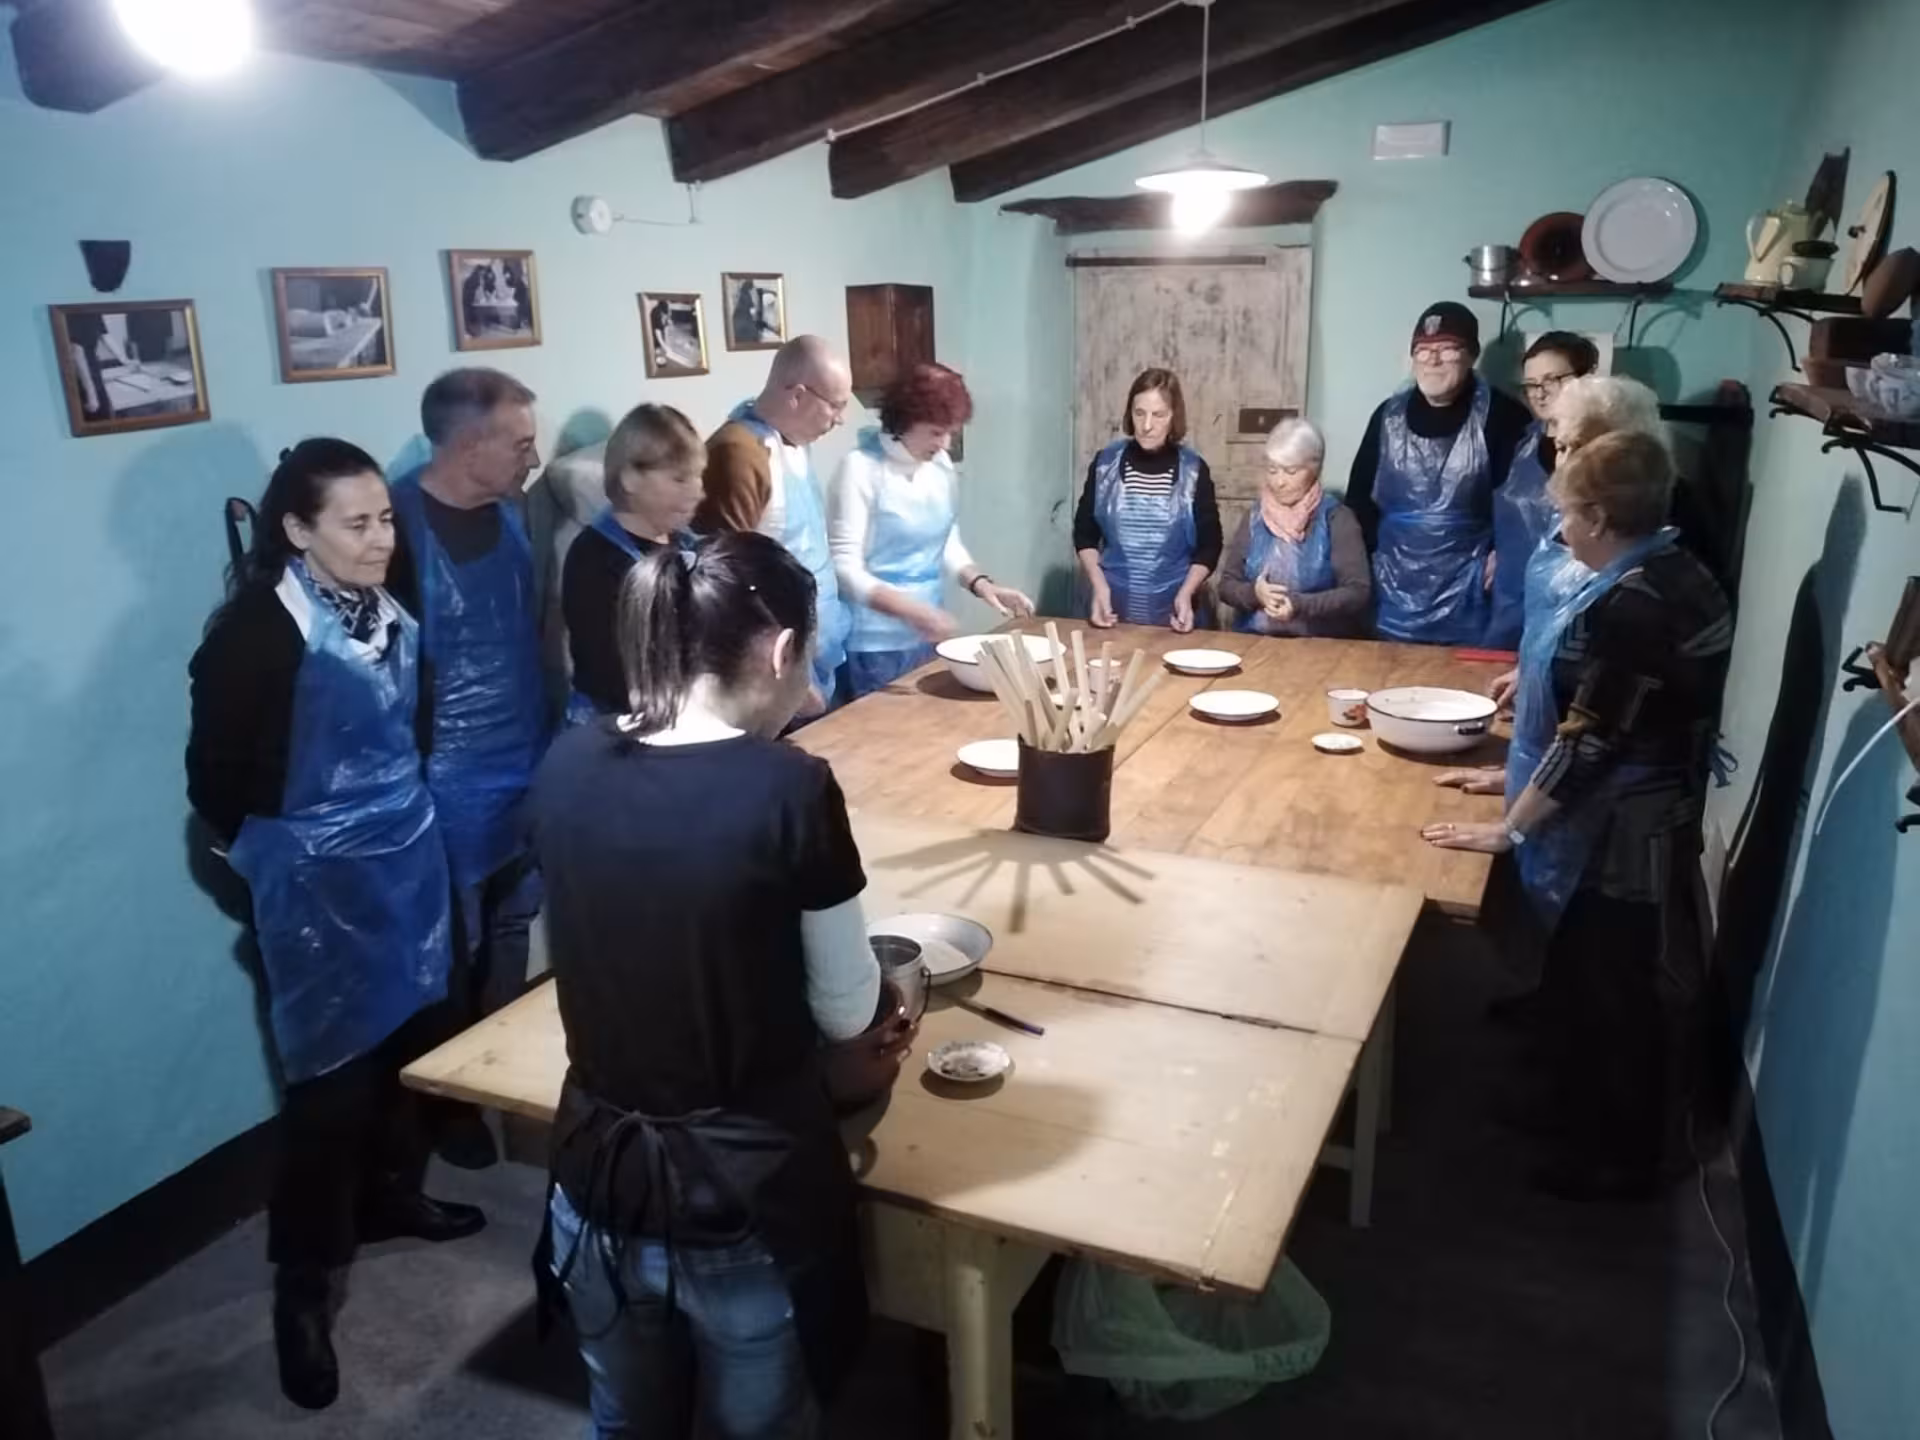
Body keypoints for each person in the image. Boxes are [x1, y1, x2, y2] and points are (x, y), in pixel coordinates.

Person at [531, 530, 916, 1437]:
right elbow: (847, 1008)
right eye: (810, 655)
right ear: (782, 649)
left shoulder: (568, 763)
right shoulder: (789, 787)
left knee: (626, 1421)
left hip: (595, 1176)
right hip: (742, 1196)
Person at [186, 440, 483, 1411]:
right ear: (296, 531)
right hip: (319, 894)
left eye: (384, 519)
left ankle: (391, 1195)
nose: (379, 540)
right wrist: (282, 859)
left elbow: (417, 723)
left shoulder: (388, 610)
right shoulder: (254, 638)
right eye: (354, 524)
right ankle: (302, 1292)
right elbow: (216, 782)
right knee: (326, 1097)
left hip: (409, 866)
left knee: (411, 1049)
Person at [1423, 432, 1732, 1201]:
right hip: (1642, 808)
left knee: (1612, 989)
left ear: (1598, 516)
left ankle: (1616, 1160)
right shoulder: (1673, 565)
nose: (1558, 532)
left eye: (1565, 514)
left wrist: (1512, 822)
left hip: (1622, 828)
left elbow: (1591, 744)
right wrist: (1513, 766)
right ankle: (1569, 1114)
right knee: (1581, 978)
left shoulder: (1637, 603)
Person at [387, 368, 551, 1166]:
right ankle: (447, 1103)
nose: (534, 456)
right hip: (439, 779)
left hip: (522, 752)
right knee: (449, 952)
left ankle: (499, 1069)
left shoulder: (511, 511)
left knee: (513, 927)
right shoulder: (392, 528)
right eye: (520, 443)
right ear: (470, 444)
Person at [829, 363, 1033, 697]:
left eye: (950, 432)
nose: (946, 443)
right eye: (937, 432)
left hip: (926, 637)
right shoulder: (860, 470)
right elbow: (844, 569)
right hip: (874, 648)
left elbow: (946, 541)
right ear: (905, 421)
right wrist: (912, 610)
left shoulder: (938, 466)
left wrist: (983, 585)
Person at [1347, 302, 1533, 645]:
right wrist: (1368, 563)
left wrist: (1504, 553)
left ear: (1471, 355)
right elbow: (1358, 499)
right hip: (1392, 588)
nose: (1432, 360)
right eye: (1423, 350)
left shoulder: (1506, 418)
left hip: (1472, 592)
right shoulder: (1386, 418)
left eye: (1447, 349)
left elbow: (1526, 506)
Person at [699, 335, 855, 709]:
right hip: (782, 671)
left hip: (820, 649)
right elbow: (733, 586)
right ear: (797, 395)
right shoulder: (738, 454)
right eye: (835, 406)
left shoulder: (793, 443)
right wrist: (793, 684)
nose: (841, 419)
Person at [562, 403, 705, 722]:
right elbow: (614, 678)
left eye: (698, 477)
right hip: (619, 731)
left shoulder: (688, 543)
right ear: (629, 479)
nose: (698, 492)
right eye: (680, 479)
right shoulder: (593, 561)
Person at [1074, 367, 1222, 632]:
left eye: (1159, 415)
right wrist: (1098, 587)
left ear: (1174, 416)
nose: (1147, 425)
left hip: (1175, 614)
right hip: (1110, 610)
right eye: (1139, 413)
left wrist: (1187, 593)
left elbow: (1210, 545)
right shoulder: (1104, 464)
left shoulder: (1194, 470)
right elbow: (1084, 534)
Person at [1486, 332, 1602, 648]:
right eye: (1531, 384)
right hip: (1512, 606)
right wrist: (1492, 549)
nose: (1539, 393)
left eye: (1552, 380)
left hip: (1577, 607)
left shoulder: (1608, 450)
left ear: (1584, 379)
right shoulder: (1514, 442)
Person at [1216, 417, 1371, 637]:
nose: (1279, 482)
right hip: (1256, 641)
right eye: (1272, 470)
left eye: (1290, 472)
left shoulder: (1337, 518)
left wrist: (1299, 605)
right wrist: (1254, 594)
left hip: (1320, 647)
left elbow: (1357, 592)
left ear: (1314, 470)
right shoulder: (1255, 516)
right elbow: (1227, 585)